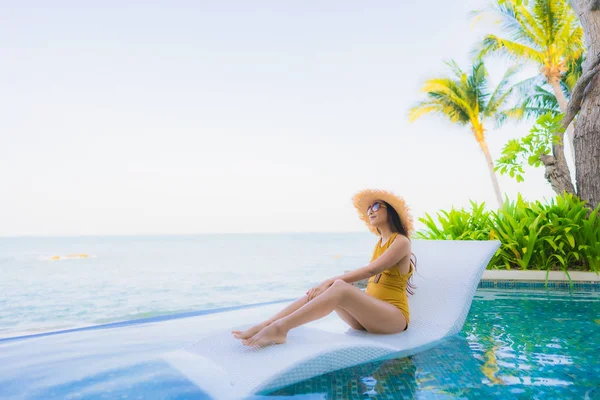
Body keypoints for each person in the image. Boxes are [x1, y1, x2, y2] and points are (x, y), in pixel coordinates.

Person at [232, 189, 417, 348]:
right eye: (369, 208)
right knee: (334, 287)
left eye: (376, 206)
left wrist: (328, 281)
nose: (371, 211)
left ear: (391, 212)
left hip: (393, 319)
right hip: (369, 319)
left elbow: (370, 271)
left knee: (337, 285)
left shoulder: (401, 241)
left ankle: (280, 328)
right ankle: (268, 323)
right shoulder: (379, 243)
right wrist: (328, 286)